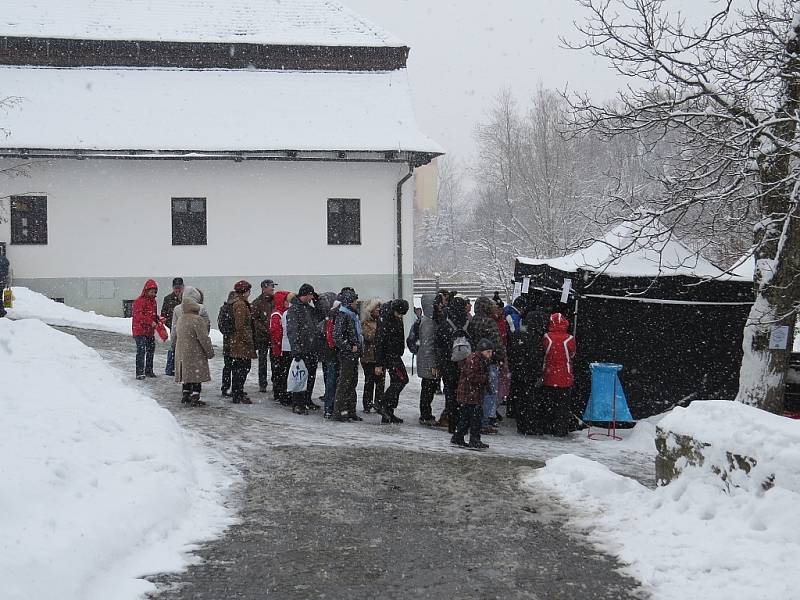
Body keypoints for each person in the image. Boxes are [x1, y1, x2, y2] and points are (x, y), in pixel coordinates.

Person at [467, 296, 506, 434]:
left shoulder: (473, 321)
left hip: (476, 359)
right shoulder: (490, 322)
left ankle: (476, 420)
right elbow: (497, 344)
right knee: (490, 392)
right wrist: (500, 358)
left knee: (478, 393)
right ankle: (484, 422)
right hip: (490, 362)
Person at [434, 296, 470, 433]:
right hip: (464, 365)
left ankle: (452, 423)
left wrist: (440, 363)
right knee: (464, 395)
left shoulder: (445, 325)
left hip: (449, 365)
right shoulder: (468, 324)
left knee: (450, 395)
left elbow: (438, 346)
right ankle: (463, 424)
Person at [173, 286, 214, 407]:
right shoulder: (197, 319)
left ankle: (185, 394)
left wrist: (173, 345)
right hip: (196, 352)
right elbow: (204, 338)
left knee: (186, 375)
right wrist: (209, 352)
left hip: (182, 352)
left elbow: (175, 333)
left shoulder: (180, 319)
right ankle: (196, 396)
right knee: (197, 375)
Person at [450, 339, 494, 449]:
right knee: (474, 418)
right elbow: (471, 376)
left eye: (491, 352)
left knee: (467, 417)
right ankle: (473, 439)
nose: (490, 354)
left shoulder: (479, 359)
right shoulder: (475, 360)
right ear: (482, 351)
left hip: (472, 394)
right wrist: (484, 379)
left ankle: (458, 436)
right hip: (470, 394)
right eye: (488, 352)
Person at [286, 283, 321, 414]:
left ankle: (307, 400)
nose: (312, 298)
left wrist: (317, 302)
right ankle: (298, 403)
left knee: (310, 376)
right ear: (305, 295)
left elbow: (321, 315)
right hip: (302, 349)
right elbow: (292, 330)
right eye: (311, 295)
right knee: (300, 377)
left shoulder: (308, 308)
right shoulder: (294, 310)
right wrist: (296, 349)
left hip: (311, 348)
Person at [540, 312, 577, 436]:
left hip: (549, 376)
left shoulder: (547, 337)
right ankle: (560, 430)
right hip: (565, 376)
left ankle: (547, 427)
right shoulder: (570, 339)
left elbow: (544, 353)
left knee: (548, 403)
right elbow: (572, 355)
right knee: (562, 405)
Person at [509, 312, 545, 432]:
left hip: (518, 371)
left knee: (519, 398)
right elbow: (536, 357)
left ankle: (521, 424)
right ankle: (529, 425)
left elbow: (512, 353)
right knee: (530, 399)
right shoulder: (536, 337)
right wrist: (539, 373)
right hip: (530, 373)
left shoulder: (518, 334)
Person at [374, 298, 409, 424]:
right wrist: (378, 364)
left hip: (394, 354)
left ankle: (388, 412)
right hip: (390, 356)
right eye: (399, 313)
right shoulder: (385, 320)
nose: (400, 316)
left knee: (397, 381)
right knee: (402, 380)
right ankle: (383, 404)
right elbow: (379, 342)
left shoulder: (394, 317)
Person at [332, 289, 363, 421]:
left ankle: (350, 410)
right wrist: (350, 347)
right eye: (355, 301)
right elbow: (337, 336)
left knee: (352, 382)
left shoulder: (352, 315)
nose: (357, 303)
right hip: (347, 355)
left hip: (353, 355)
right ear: (349, 302)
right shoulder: (343, 315)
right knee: (344, 383)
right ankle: (340, 411)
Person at [229, 280, 256, 404]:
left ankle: (238, 392)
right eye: (248, 290)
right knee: (242, 368)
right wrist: (248, 338)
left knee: (240, 368)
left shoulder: (240, 303)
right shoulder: (240, 304)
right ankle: (237, 393)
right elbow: (240, 325)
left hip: (240, 342)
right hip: (241, 343)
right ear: (245, 291)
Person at [416, 293, 439, 425]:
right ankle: (425, 414)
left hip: (427, 361)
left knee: (428, 389)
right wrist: (433, 364)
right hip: (428, 362)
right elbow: (428, 345)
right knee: (427, 389)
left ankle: (426, 413)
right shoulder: (428, 323)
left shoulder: (428, 320)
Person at [131, 279, 160, 380]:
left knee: (151, 350)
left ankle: (149, 370)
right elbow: (139, 316)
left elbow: (153, 315)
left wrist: (157, 319)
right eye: (151, 291)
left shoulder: (154, 302)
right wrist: (150, 322)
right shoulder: (139, 301)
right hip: (139, 330)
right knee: (141, 350)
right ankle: (139, 372)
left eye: (155, 292)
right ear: (146, 290)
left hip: (149, 331)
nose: (153, 293)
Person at [251, 278, 276, 393]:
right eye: (271, 286)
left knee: (275, 360)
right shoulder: (257, 302)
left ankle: (276, 381)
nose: (273, 288)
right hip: (263, 337)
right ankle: (263, 383)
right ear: (264, 288)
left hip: (274, 336)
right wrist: (266, 329)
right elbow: (254, 320)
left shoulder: (275, 300)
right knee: (263, 361)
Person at [269, 290, 294, 405]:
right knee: (280, 373)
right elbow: (275, 332)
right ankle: (280, 394)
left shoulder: (282, 313)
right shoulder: (277, 314)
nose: (288, 303)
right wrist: (280, 344)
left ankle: (281, 393)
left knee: (281, 372)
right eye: (286, 301)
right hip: (279, 350)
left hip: (281, 348)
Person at [360, 298, 384, 413]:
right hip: (369, 357)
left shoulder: (381, 321)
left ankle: (378, 403)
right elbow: (369, 337)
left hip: (380, 357)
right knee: (369, 382)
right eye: (376, 307)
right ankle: (367, 404)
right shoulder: (365, 323)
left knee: (380, 383)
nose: (379, 309)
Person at [161, 277, 184, 376]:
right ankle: (170, 369)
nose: (178, 290)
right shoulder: (168, 299)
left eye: (179, 288)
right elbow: (163, 314)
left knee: (183, 349)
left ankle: (181, 369)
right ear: (173, 288)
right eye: (176, 288)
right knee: (173, 347)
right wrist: (171, 324)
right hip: (173, 327)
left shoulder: (186, 298)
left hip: (185, 328)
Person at [220, 291, 237, 398]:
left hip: (228, 341)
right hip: (233, 342)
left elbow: (221, 325)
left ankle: (226, 388)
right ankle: (231, 388)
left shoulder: (224, 309)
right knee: (234, 367)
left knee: (228, 366)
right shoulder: (229, 309)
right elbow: (222, 325)